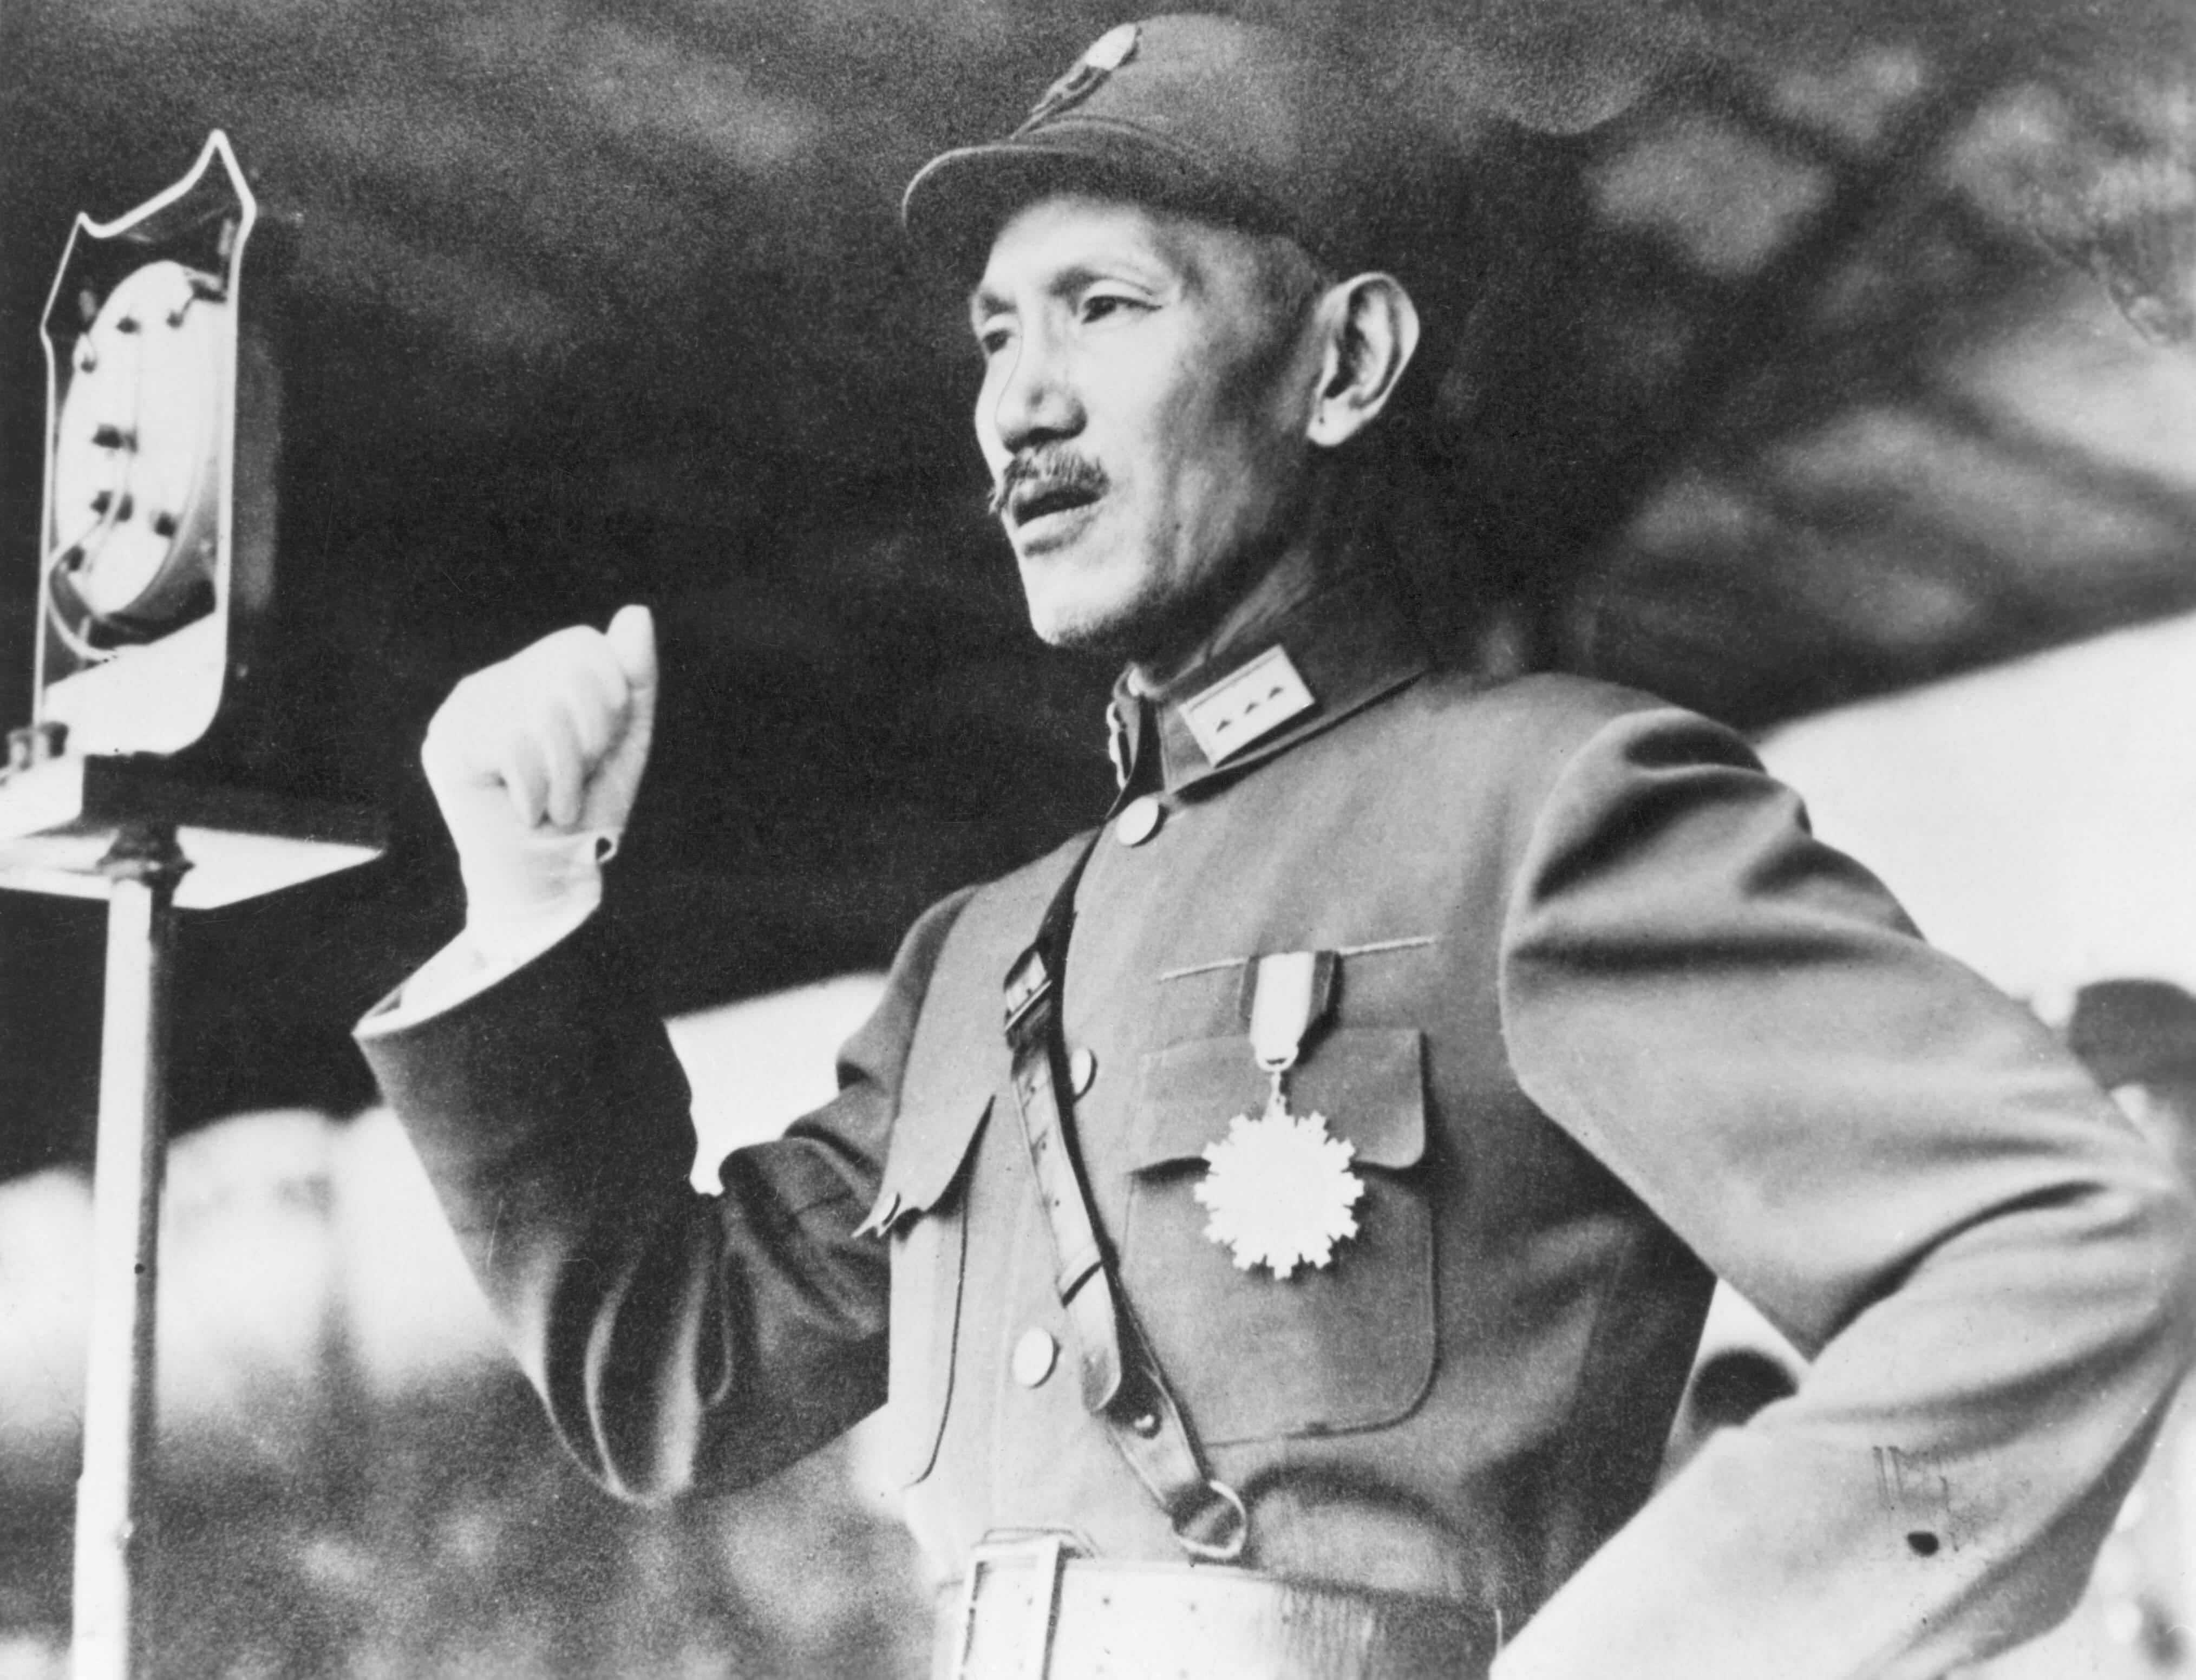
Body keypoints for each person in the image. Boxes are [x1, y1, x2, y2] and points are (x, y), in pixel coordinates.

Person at [356, 16, 2196, 1679]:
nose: (1020, 403)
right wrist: (526, 899)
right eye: (996, 333)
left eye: (1104, 308)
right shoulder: (977, 963)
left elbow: (2061, 1244)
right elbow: (673, 1380)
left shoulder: (1545, 815)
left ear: (1344, 363)